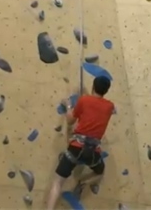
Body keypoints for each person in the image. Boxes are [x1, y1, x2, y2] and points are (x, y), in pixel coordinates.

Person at [46, 76, 115, 210]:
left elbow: (70, 121)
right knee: (100, 172)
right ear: (106, 91)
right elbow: (97, 108)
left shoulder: (84, 100)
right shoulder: (110, 107)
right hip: (93, 153)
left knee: (57, 183)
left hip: (76, 148)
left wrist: (68, 105)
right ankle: (83, 182)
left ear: (93, 86)